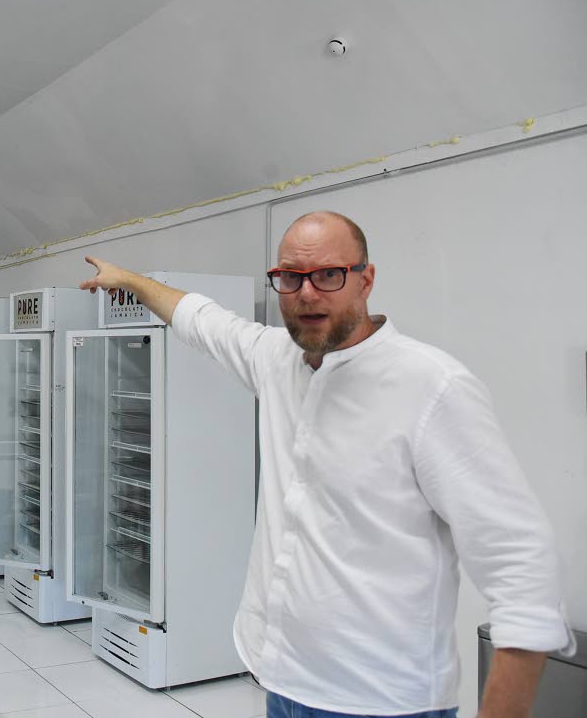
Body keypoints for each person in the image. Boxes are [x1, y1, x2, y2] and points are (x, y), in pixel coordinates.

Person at [79, 211, 574, 718]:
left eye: (329, 275)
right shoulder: (275, 360)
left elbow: (522, 567)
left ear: (366, 279)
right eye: (291, 277)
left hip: (380, 703)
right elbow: (200, 318)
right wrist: (129, 280)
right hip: (281, 682)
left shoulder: (431, 387)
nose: (308, 293)